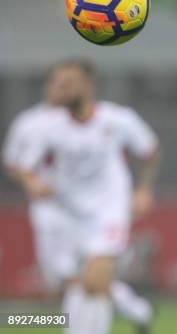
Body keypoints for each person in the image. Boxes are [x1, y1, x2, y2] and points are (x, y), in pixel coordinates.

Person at [9, 58, 160, 334]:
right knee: (74, 285)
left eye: (68, 84)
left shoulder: (117, 119)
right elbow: (22, 165)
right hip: (67, 213)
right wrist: (32, 182)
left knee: (95, 282)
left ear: (89, 86)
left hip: (108, 209)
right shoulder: (45, 127)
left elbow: (150, 150)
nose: (60, 90)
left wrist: (144, 189)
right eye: (58, 84)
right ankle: (138, 311)